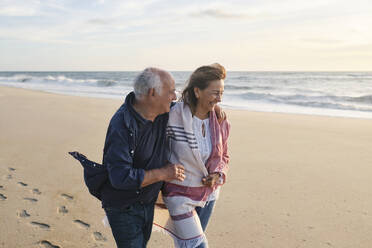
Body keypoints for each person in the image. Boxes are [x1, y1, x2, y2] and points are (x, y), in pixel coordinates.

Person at [100, 67, 186, 248]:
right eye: (171, 92)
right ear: (153, 93)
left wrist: (214, 109)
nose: (174, 97)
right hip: (123, 206)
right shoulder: (122, 125)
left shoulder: (165, 112)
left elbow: (193, 106)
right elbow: (120, 177)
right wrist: (163, 173)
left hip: (147, 201)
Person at [155, 63, 230, 248]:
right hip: (179, 195)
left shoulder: (219, 120)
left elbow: (224, 156)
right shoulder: (172, 116)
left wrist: (218, 174)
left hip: (208, 195)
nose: (219, 99)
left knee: (187, 246)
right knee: (198, 245)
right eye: (215, 93)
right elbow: (154, 148)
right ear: (197, 91)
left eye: (221, 93)